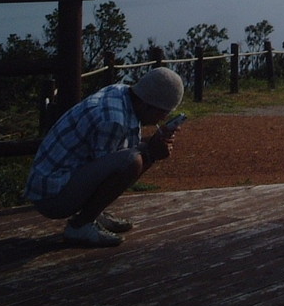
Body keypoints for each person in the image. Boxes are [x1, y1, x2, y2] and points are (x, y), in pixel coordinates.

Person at [24, 66, 185, 247]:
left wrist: (152, 144)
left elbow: (109, 158)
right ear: (146, 104)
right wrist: (152, 154)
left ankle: (94, 215)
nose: (162, 119)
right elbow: (116, 171)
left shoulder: (120, 93)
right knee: (133, 162)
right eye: (162, 113)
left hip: (53, 182)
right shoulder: (113, 121)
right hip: (53, 198)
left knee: (133, 157)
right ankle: (80, 226)